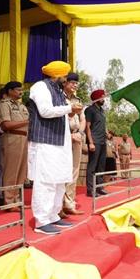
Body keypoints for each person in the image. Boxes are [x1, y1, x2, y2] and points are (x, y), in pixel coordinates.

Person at [26, 61, 76, 235]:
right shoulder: (40, 87)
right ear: (58, 75)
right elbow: (45, 110)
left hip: (59, 143)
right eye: (65, 75)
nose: (66, 78)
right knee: (45, 181)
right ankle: (41, 220)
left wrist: (69, 109)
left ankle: (53, 215)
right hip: (45, 142)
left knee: (59, 179)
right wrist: (69, 108)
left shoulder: (58, 90)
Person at [0, 81, 29, 207]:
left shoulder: (22, 106)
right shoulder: (4, 105)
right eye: (18, 89)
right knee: (11, 171)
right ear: (9, 91)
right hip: (12, 137)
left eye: (22, 90)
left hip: (24, 138)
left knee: (21, 172)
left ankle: (17, 200)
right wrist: (26, 122)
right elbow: (6, 124)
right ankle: (9, 202)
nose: (21, 92)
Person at [61, 73, 85, 215]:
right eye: (72, 82)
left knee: (74, 171)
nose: (75, 85)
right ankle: (60, 205)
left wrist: (80, 133)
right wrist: (69, 135)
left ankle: (69, 204)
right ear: (65, 83)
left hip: (76, 136)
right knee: (62, 170)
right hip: (63, 136)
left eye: (76, 83)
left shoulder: (77, 99)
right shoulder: (59, 97)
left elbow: (82, 119)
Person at [84, 89, 108, 197]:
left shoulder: (102, 111)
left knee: (101, 166)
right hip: (95, 141)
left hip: (103, 141)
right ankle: (90, 190)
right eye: (102, 97)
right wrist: (91, 142)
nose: (104, 99)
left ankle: (99, 188)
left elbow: (102, 125)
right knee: (92, 167)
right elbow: (87, 127)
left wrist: (107, 133)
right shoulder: (90, 110)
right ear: (97, 98)